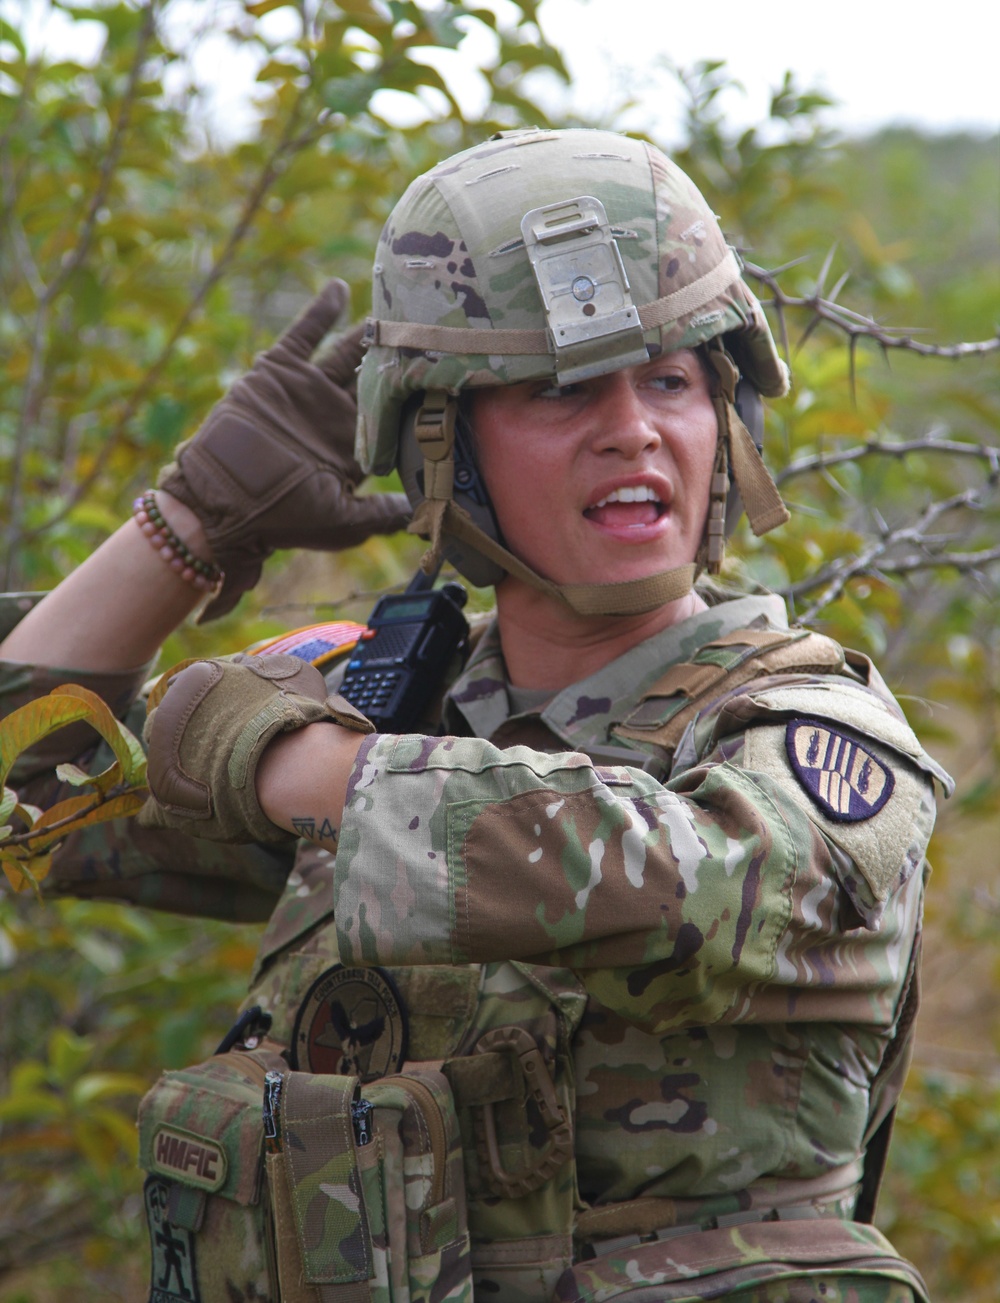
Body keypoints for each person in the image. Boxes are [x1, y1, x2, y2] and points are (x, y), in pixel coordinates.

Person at [0, 128, 951, 1303]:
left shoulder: (806, 726)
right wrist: (188, 529)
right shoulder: (393, 703)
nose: (632, 428)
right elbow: (24, 790)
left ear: (728, 417)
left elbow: (694, 884)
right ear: (444, 446)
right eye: (559, 389)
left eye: (670, 379)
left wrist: (299, 765)